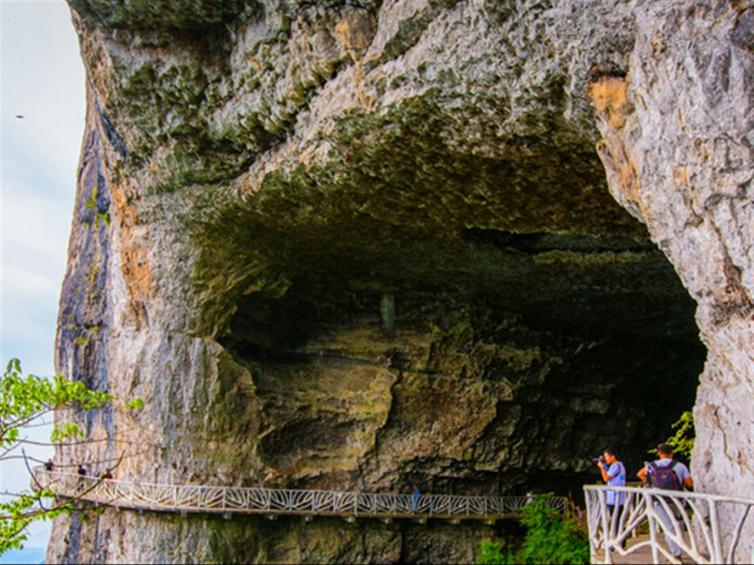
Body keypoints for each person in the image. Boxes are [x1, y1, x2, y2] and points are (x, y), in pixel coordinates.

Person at [637, 443, 693, 560]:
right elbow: (689, 483)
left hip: (659, 500)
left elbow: (640, 474)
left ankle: (676, 553)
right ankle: (678, 551)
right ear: (672, 453)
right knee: (678, 524)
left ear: (659, 453)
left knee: (668, 526)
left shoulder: (651, 465)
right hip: (676, 500)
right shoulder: (680, 466)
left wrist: (651, 482)